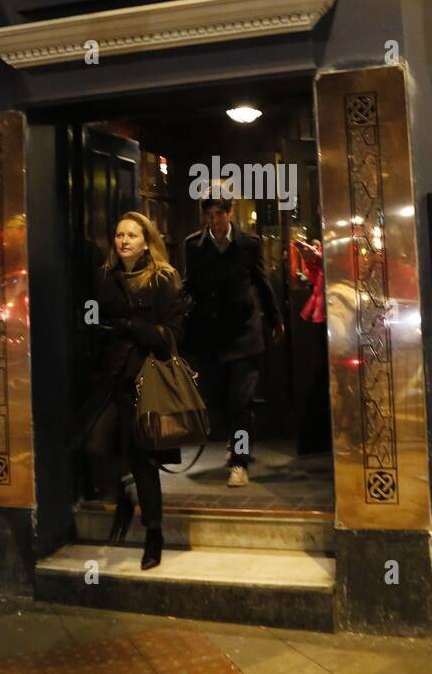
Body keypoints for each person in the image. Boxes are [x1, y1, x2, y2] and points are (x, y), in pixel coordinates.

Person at [76, 212, 184, 571]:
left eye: (131, 235)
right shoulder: (104, 277)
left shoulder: (163, 279)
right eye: (119, 234)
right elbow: (91, 323)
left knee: (143, 459)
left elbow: (169, 335)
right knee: (93, 443)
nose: (123, 241)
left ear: (146, 240)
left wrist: (126, 325)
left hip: (145, 379)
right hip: (110, 378)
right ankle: (122, 496)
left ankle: (154, 534)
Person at [184, 192, 283, 487]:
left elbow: (262, 283)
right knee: (219, 399)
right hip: (210, 335)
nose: (214, 221)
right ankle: (234, 441)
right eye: (209, 215)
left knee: (241, 401)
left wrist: (275, 318)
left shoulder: (248, 245)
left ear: (230, 213)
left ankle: (239, 461)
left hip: (243, 334)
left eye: (219, 214)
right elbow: (190, 284)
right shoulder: (194, 245)